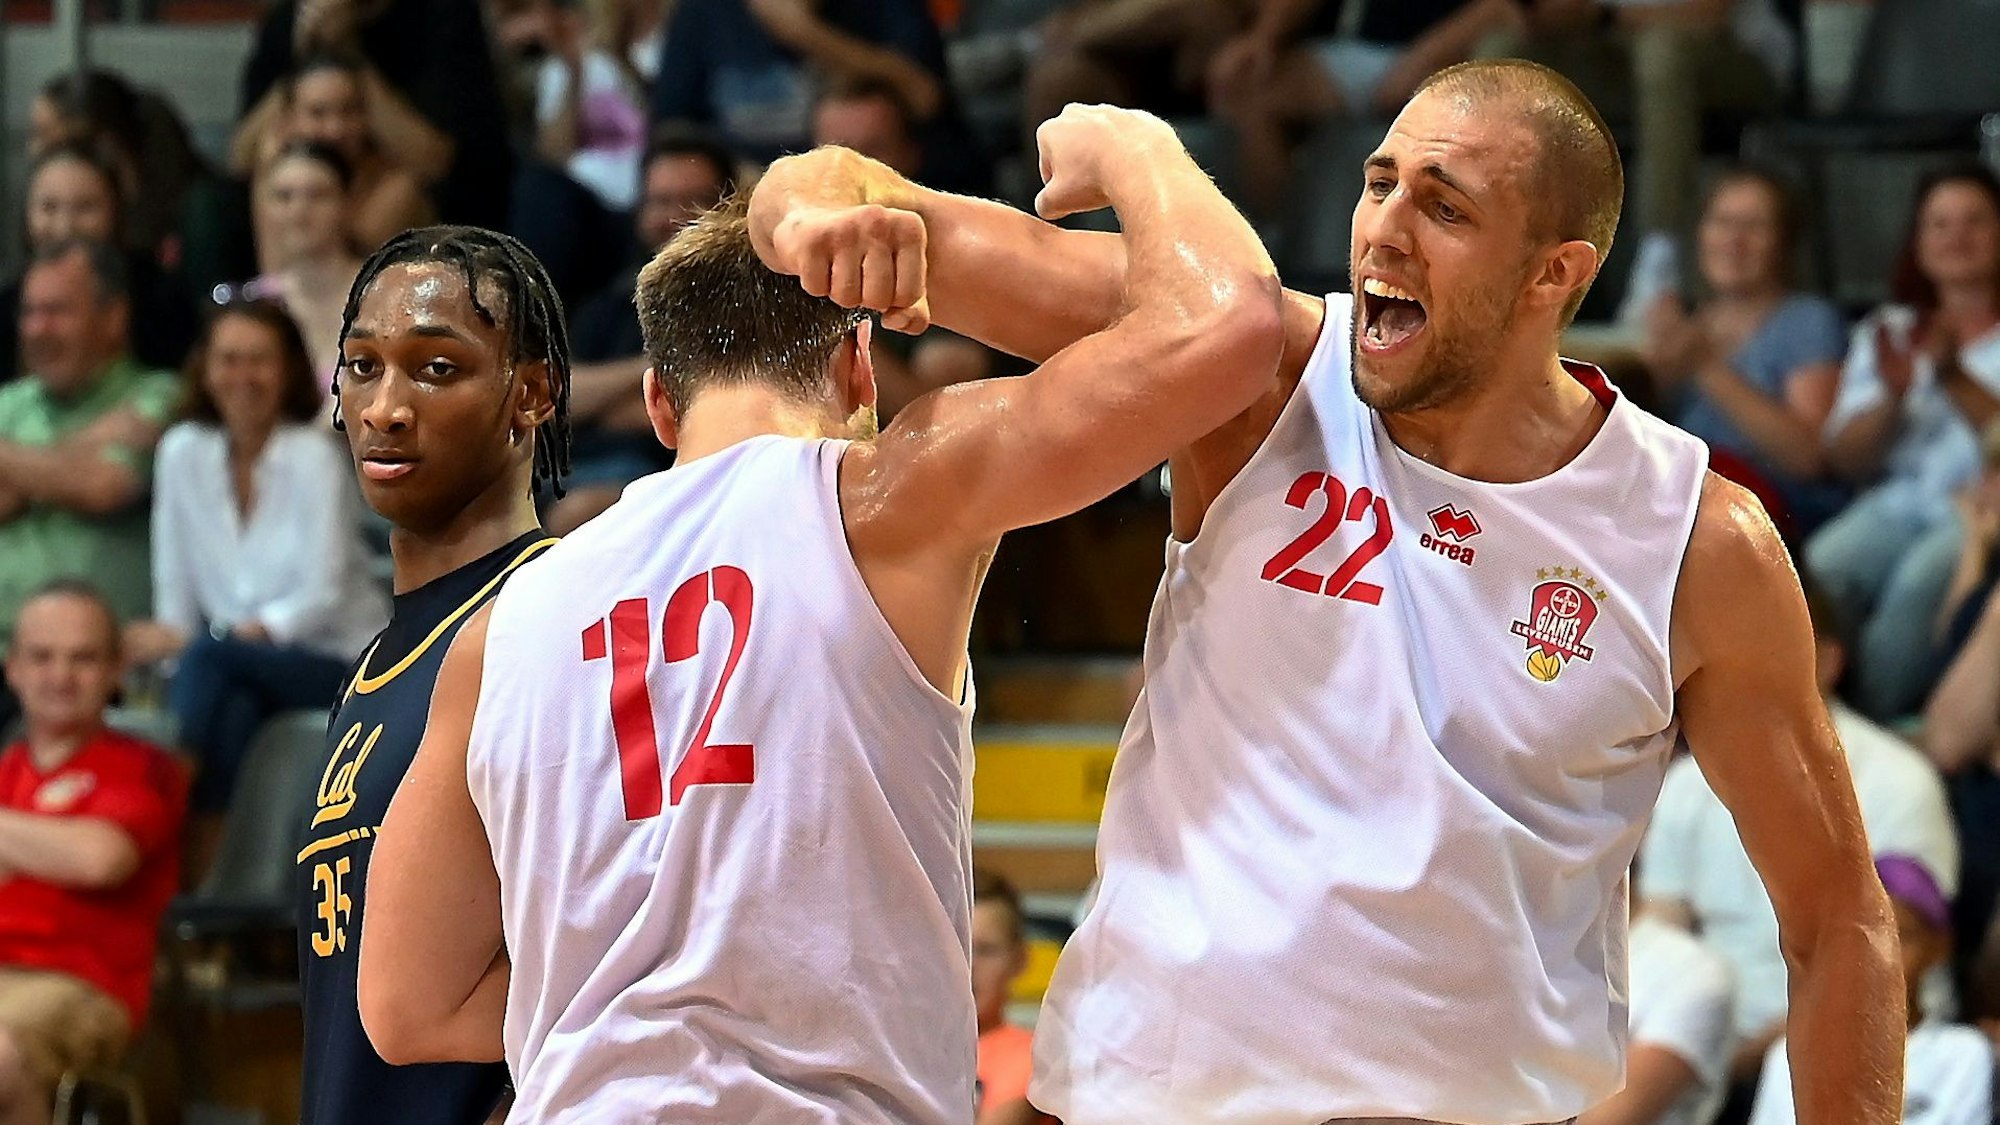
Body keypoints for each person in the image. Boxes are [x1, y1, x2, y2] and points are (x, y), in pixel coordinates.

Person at [752, 58, 1903, 1123]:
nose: (1383, 234)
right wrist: (817, 221)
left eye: (1442, 208)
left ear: (1556, 274)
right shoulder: (1250, 370)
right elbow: (831, 188)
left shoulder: (1697, 541)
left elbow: (1835, 920)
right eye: (1377, 184)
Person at [354, 105, 1282, 1121]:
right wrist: (1130, 148)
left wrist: (641, 1004)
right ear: (855, 372)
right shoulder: (891, 493)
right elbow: (1231, 328)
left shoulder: (500, 624)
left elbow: (404, 1007)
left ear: (659, 400)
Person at [294, 225, 570, 1125]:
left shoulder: (552, 618)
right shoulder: (376, 663)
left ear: (531, 392)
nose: (384, 406)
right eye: (363, 365)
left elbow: (613, 945)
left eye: (437, 369)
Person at [1640, 579, 1957, 1110]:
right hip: (1708, 1043)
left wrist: (1763, 1051)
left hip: (1861, 1044)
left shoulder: (1902, 781)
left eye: (1767, 639)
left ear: (1829, 661)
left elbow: (1906, 953)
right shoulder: (1685, 783)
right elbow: (1662, 939)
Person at [124, 302, 386, 839]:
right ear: (205, 368)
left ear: (288, 369)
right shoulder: (181, 453)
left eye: (259, 361)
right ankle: (220, 901)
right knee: (233, 713)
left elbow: (324, 594)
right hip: (229, 668)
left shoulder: (314, 457)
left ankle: (155, 805)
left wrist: (238, 637)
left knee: (210, 660)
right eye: (229, 360)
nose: (243, 377)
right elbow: (176, 598)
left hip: (336, 662)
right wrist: (177, 640)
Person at [1806, 164, 2000, 720]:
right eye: (1939, 224)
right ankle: (1803, 719)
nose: (1956, 237)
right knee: (1819, 569)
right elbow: (1842, 459)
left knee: (1916, 588)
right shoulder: (1887, 329)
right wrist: (1891, 400)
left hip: (1976, 511)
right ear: (1919, 243)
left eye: (1975, 222)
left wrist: (1952, 376)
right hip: (1894, 502)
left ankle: (1872, 730)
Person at [0, 582, 187, 1125]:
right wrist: (44, 841)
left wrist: (25, 847)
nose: (60, 677)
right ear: (12, 669)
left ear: (116, 671)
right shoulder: (7, 770)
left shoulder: (143, 765)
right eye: (41, 657)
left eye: (82, 659)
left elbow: (100, 860)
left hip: (83, 984)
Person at [1639, 166, 1849, 537]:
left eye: (1754, 226)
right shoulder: (1692, 322)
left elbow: (1807, 458)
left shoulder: (1807, 320)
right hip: (1689, 508)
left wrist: (1706, 366)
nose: (1734, 240)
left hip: (1774, 517)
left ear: (1784, 242)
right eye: (1722, 222)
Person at [551, 127, 734, 534]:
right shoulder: (611, 301)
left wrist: (603, 403)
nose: (675, 217)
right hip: (570, 468)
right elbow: (559, 397)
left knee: (579, 513)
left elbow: (697, 413)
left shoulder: (741, 305)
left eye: (695, 201)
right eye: (661, 202)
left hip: (671, 479)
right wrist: (656, 367)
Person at [0, 241, 181, 642]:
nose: (36, 330)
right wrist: (87, 445)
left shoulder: (159, 396)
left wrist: (17, 475)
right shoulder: (8, 404)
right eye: (29, 312)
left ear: (113, 318)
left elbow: (105, 485)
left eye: (57, 312)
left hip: (104, 662)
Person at [1207, 0, 1526, 219]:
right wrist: (1262, 38)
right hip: (1360, 51)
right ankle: (1269, 245)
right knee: (1247, 91)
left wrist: (1424, 60)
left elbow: (1509, 10)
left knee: (1399, 92)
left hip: (1439, 55)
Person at [1748, 855, 1995, 1125]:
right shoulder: (1789, 1058)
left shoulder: (1962, 1056)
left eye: (1901, 937)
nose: (1879, 957)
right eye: (1859, 938)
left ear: (1939, 947)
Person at [809, 79, 993, 420]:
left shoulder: (952, 258)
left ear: (910, 155)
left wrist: (818, 321)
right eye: (839, 154)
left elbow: (938, 420)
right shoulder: (783, 253)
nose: (855, 172)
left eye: (875, 150)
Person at [240, 0, 513, 229]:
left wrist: (350, 52)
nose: (334, 129)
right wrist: (306, 60)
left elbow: (433, 161)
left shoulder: (440, 15)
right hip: (310, 193)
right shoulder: (290, 19)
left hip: (426, 207)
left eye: (349, 110)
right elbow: (241, 157)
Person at [0, 143, 200, 386]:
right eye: (48, 207)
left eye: (85, 207)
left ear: (116, 211)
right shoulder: (7, 304)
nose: (65, 227)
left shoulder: (161, 298)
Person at [232, 53, 440, 259]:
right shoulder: (277, 177)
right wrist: (270, 174)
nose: (335, 130)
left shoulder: (397, 186)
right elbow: (279, 278)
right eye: (318, 113)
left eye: (349, 111)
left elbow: (338, 268)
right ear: (289, 119)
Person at [244, 142, 367, 391]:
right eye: (284, 196)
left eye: (318, 195)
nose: (299, 211)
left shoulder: (381, 293)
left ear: (349, 202)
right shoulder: (254, 304)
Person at [972, 870, 1047, 1125]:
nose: (968, 965)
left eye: (985, 950)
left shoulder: (1035, 1057)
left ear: (1020, 959)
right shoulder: (908, 1049)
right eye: (958, 948)